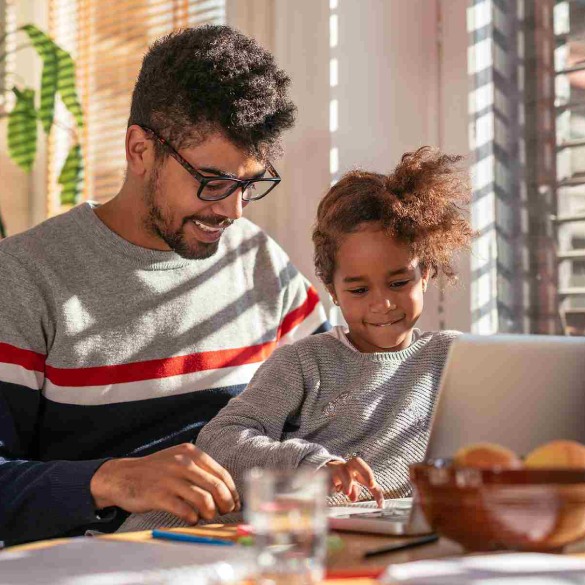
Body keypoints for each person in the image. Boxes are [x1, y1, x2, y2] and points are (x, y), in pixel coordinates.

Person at [0, 26, 328, 545]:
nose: (232, 210)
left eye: (249, 184)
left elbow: (334, 409)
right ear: (139, 150)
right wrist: (110, 479)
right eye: (213, 181)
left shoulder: (260, 264)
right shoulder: (23, 278)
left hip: (252, 559)